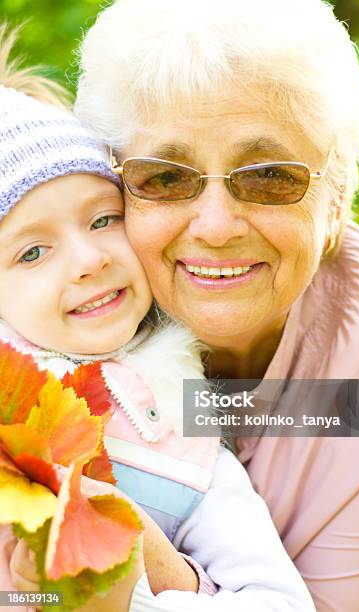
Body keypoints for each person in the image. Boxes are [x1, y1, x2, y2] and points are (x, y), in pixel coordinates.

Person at [75, 0, 359, 610]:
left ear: (339, 197)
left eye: (270, 177)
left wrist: (147, 566)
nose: (216, 227)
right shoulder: (56, 291)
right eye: (164, 177)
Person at [0, 27, 315, 612]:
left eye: (102, 220)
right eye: (33, 252)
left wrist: (137, 594)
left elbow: (279, 603)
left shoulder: (177, 432)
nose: (90, 260)